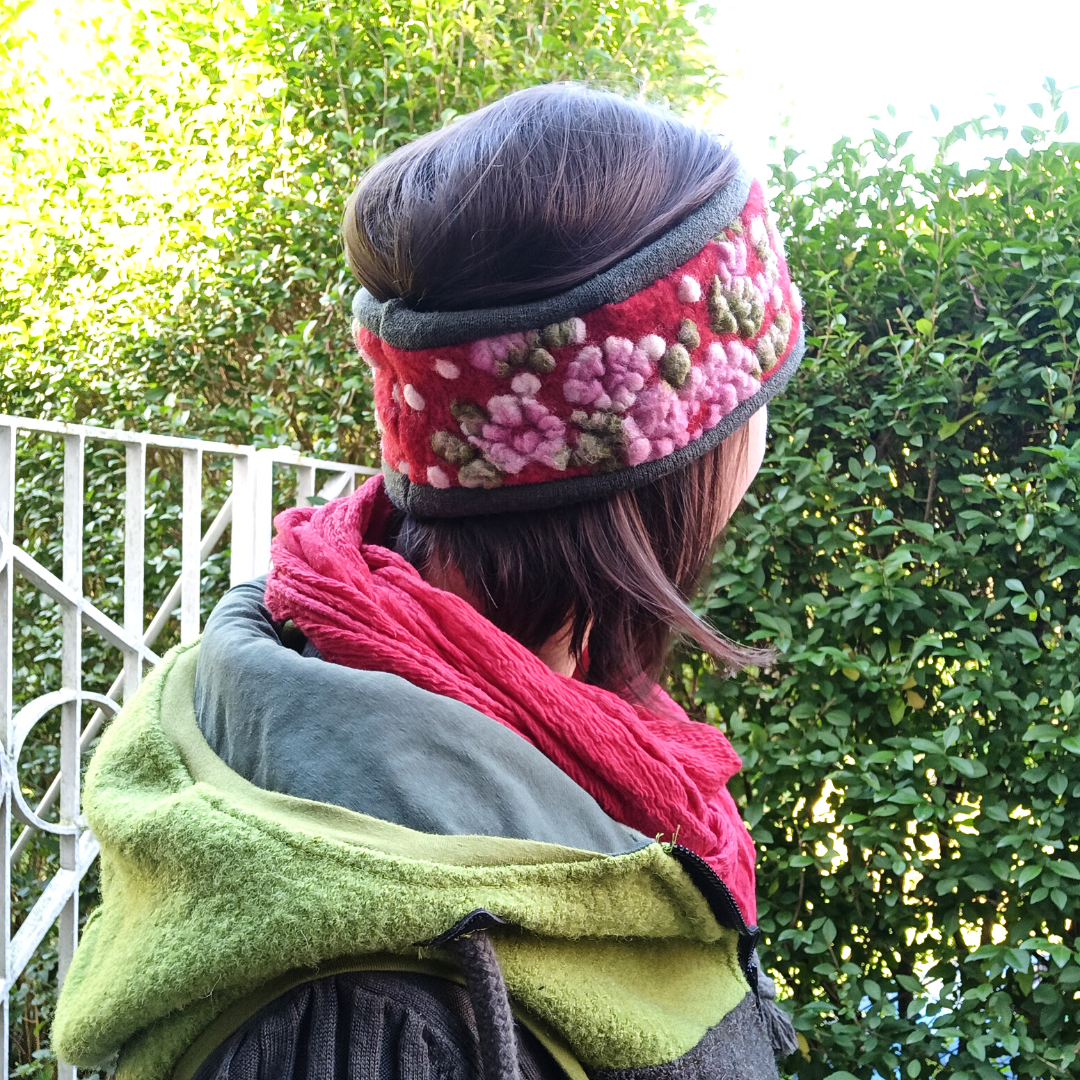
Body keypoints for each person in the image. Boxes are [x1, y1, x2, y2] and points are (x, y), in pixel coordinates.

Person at [53, 84, 805, 1080]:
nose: (763, 436)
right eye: (756, 399)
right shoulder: (366, 1020)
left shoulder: (563, 707)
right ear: (667, 456)